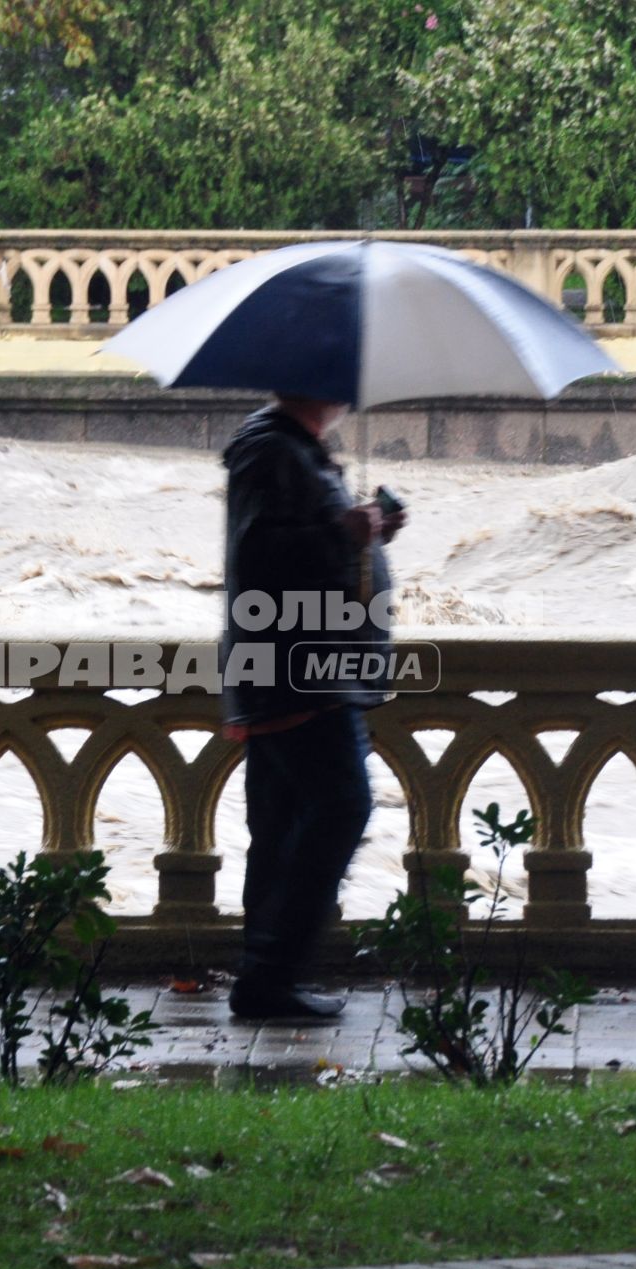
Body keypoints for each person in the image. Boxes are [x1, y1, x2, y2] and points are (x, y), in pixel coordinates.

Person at [219, 392, 407, 1021]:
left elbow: (305, 550)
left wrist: (371, 531)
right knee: (340, 808)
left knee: (280, 827)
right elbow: (259, 560)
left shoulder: (290, 449)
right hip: (299, 677)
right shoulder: (272, 450)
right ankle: (269, 976)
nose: (351, 395)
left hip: (307, 674)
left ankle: (264, 977)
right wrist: (341, 532)